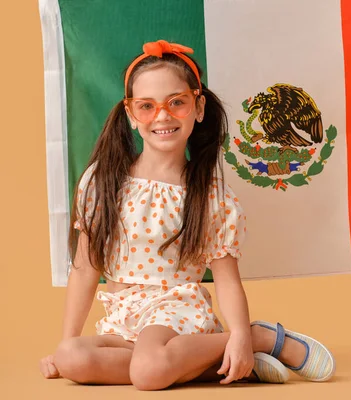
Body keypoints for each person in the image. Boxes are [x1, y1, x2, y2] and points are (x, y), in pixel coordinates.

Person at [38, 40, 335, 390]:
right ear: (131, 115)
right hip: (123, 317)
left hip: (176, 312)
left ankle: (258, 339)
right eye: (147, 106)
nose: (162, 116)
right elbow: (86, 266)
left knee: (147, 373)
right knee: (73, 358)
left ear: (198, 107)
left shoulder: (207, 193)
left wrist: (239, 330)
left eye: (176, 102)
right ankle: (233, 363)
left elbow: (226, 278)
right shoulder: (102, 180)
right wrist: (65, 341)